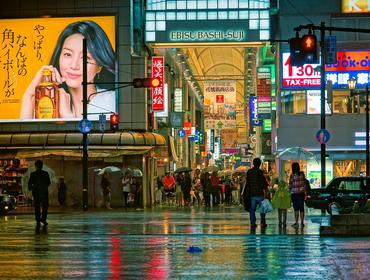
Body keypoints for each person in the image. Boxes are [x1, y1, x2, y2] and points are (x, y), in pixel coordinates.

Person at [20, 20, 116, 119]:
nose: (74, 65)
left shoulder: (112, 101)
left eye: (86, 58)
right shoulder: (49, 103)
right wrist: (30, 94)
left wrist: (67, 117)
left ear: (99, 66)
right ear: (59, 57)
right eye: (68, 54)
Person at [244, 158, 269, 229]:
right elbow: (264, 183)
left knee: (252, 209)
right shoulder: (260, 172)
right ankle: (262, 222)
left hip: (252, 194)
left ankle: (252, 222)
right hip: (260, 193)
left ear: (253, 163)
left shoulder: (249, 172)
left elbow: (247, 182)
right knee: (262, 209)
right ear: (259, 164)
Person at [28, 160, 51, 226]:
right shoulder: (45, 173)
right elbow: (48, 183)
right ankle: (43, 219)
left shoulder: (33, 174)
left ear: (36, 166)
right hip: (44, 193)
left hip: (36, 193)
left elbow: (30, 183)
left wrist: (31, 188)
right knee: (45, 207)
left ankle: (38, 220)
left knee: (37, 207)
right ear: (42, 166)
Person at [288, 162, 308, 228]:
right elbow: (305, 183)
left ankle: (296, 223)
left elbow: (290, 185)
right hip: (301, 194)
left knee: (296, 209)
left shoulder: (292, 175)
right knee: (301, 208)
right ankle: (302, 223)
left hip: (295, 194)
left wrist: (289, 190)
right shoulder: (302, 174)